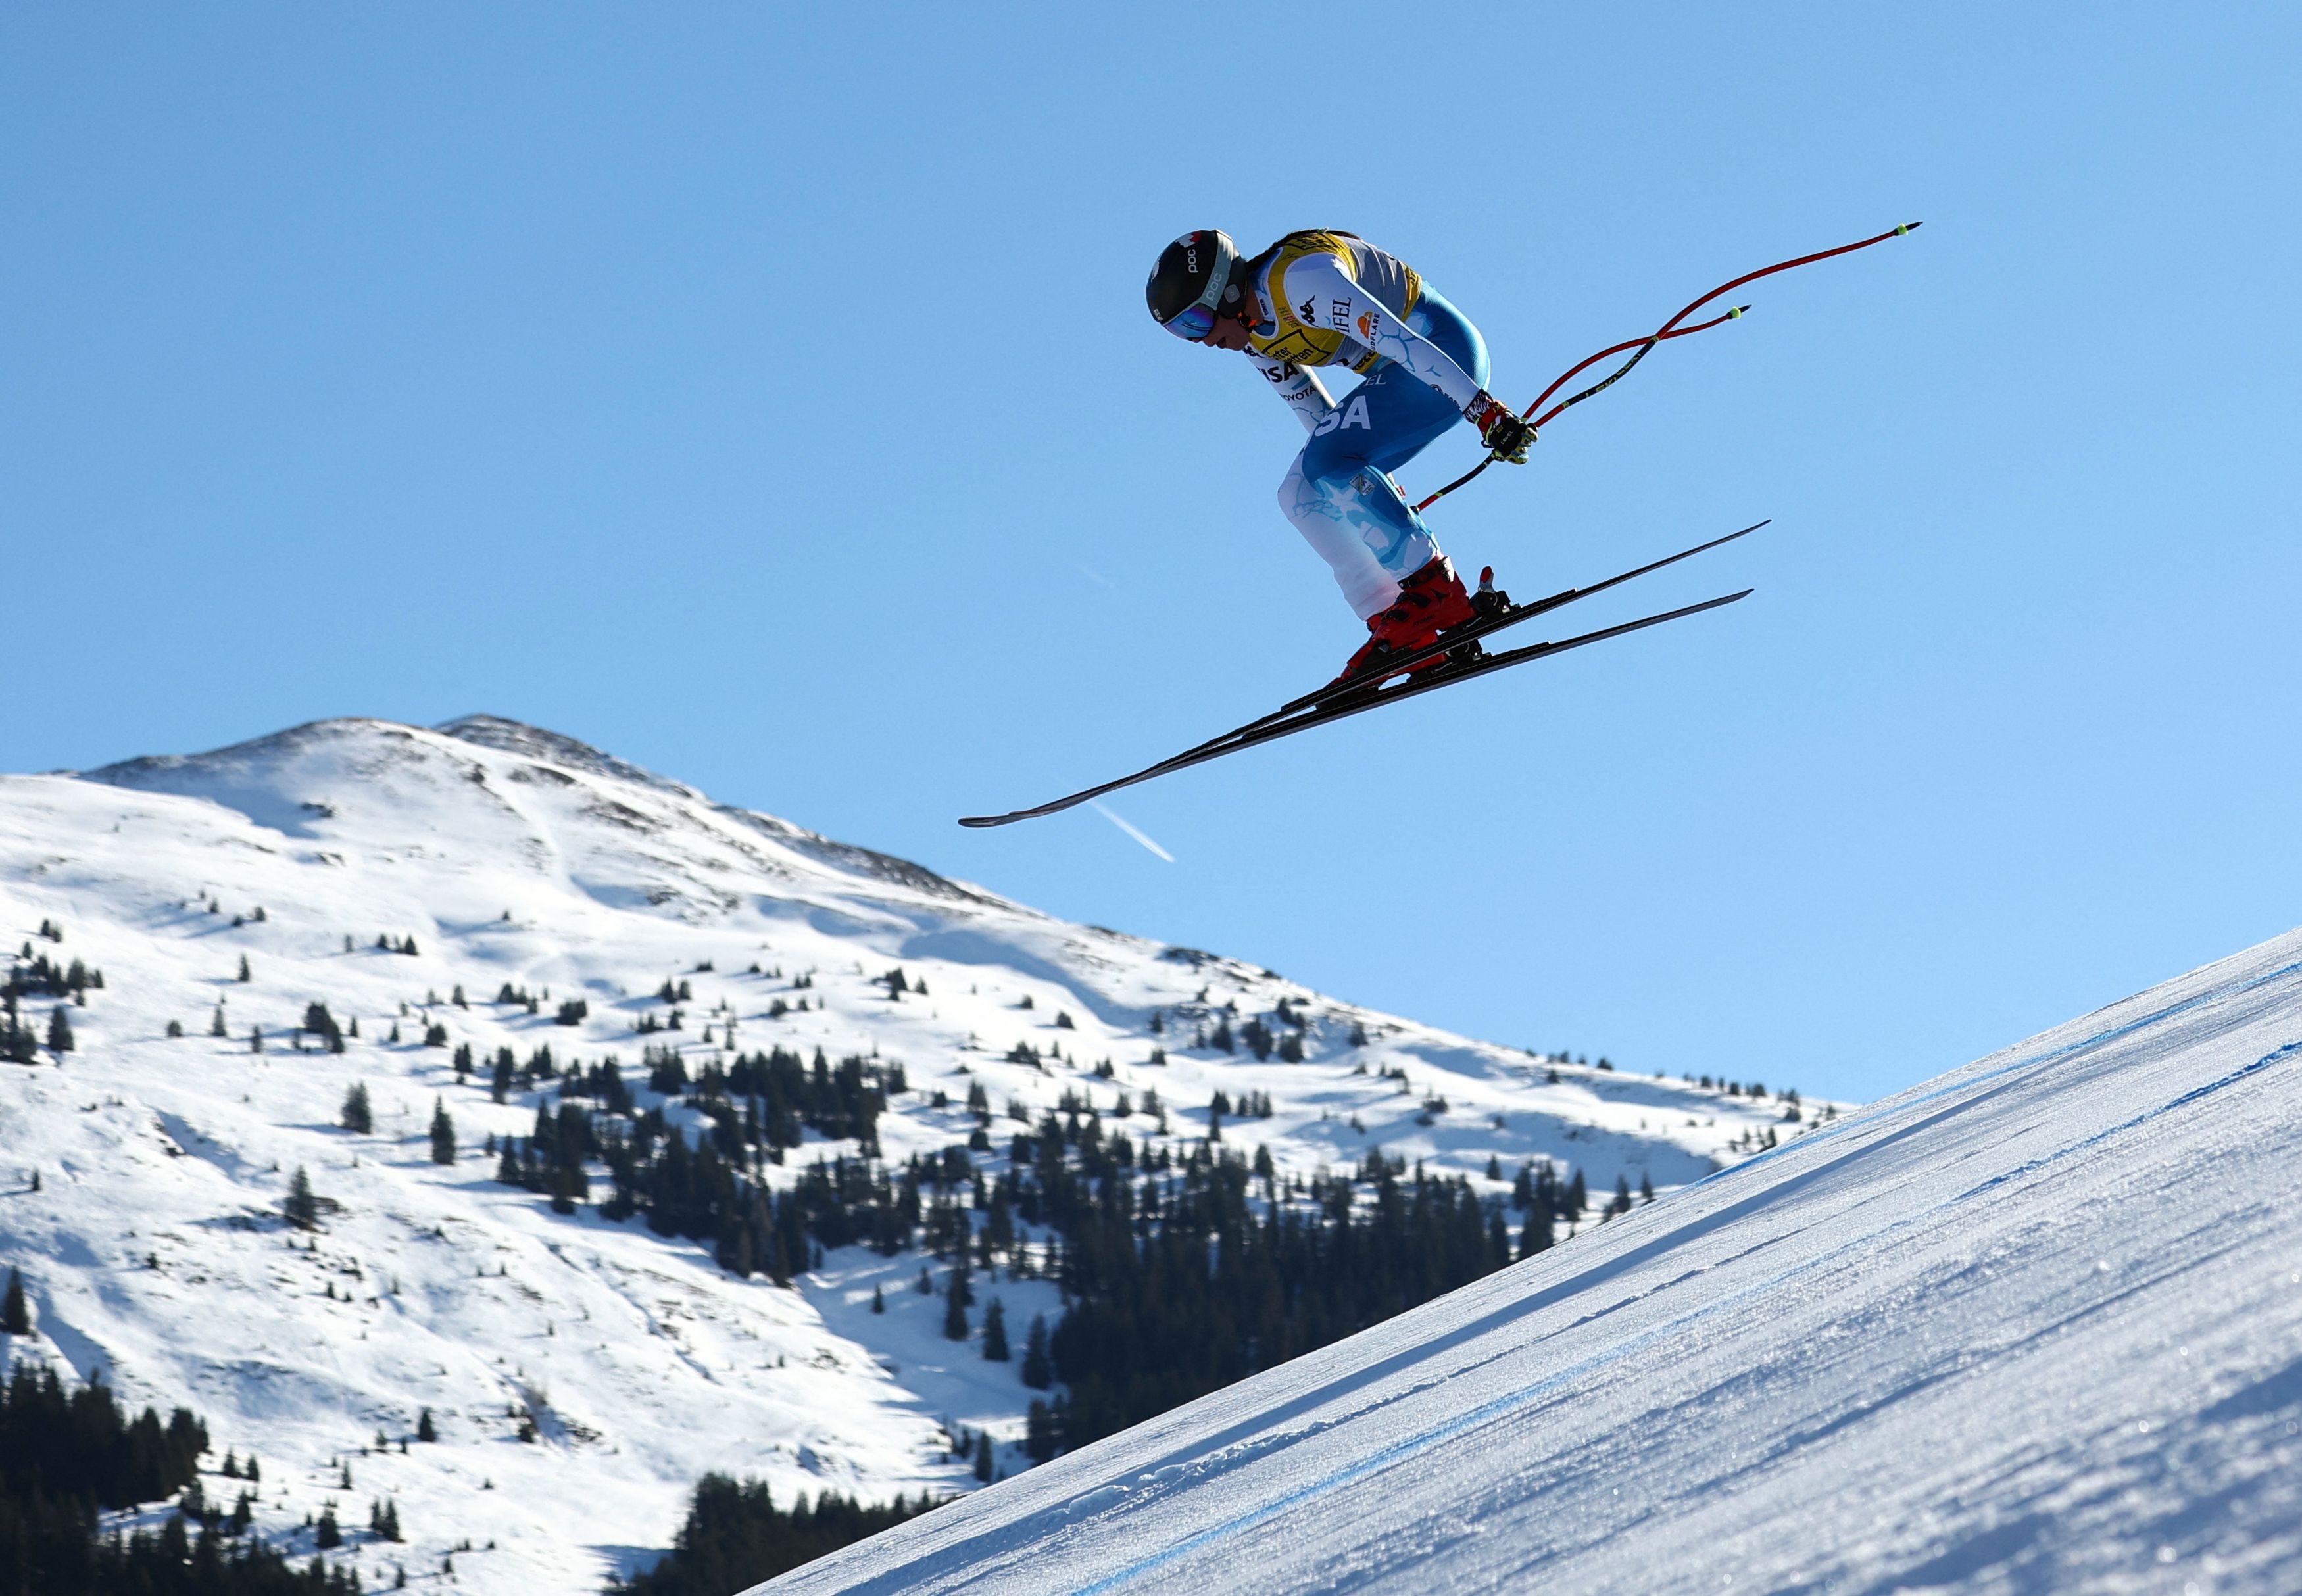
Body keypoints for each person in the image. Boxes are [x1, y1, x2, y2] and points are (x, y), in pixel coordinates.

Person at [1146, 228, 1535, 681]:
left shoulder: (1301, 281)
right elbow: (1317, 418)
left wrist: (1483, 410)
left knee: (1325, 465)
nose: (1199, 340)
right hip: (1400, 380)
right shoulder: (1254, 337)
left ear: (1227, 292)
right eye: (1181, 332)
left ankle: (1435, 594)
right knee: (1300, 493)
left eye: (1195, 322)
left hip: (1444, 356)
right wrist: (1357, 486)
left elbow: (1399, 341)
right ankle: (1399, 622)